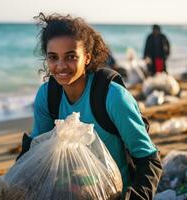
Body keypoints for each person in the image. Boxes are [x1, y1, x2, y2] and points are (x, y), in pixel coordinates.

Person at [18, 13, 162, 199]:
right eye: (53, 57)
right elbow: (36, 156)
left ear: (87, 57)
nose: (61, 66)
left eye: (70, 57)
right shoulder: (47, 96)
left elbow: (149, 161)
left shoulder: (113, 97)